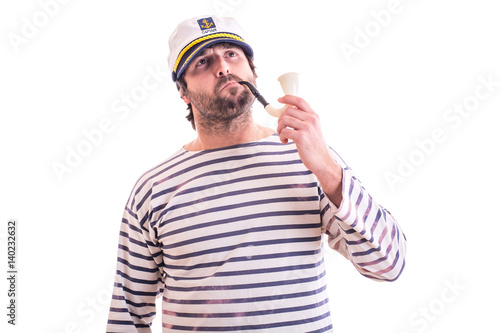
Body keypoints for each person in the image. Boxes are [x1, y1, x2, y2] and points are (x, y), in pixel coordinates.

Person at [106, 15, 406, 332]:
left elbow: (389, 264)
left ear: (254, 73)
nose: (222, 68)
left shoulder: (311, 160)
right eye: (203, 62)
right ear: (183, 91)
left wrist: (325, 165)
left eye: (232, 54)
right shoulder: (153, 189)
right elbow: (127, 316)